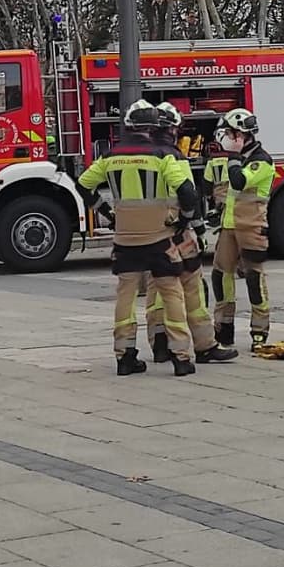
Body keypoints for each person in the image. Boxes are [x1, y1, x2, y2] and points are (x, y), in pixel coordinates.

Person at [79, 100, 203, 378]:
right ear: (153, 126)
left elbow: (83, 184)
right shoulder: (161, 156)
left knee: (126, 295)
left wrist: (108, 213)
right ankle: (181, 357)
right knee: (171, 292)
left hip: (125, 240)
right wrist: (183, 219)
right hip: (160, 238)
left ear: (128, 125)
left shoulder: (110, 157)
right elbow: (188, 191)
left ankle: (125, 356)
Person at [144, 103, 234, 365]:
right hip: (177, 232)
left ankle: (160, 345)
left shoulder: (144, 157)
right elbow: (188, 195)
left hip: (151, 235)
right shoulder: (174, 157)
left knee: (155, 289)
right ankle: (204, 346)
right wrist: (194, 226)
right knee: (192, 287)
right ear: (172, 128)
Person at [206, 108, 276, 348]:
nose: (226, 137)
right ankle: (223, 330)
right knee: (221, 277)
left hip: (251, 227)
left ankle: (259, 332)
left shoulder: (262, 161)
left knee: (254, 279)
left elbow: (239, 181)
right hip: (229, 227)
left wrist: (234, 156)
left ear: (242, 135)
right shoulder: (230, 158)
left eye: (230, 133)